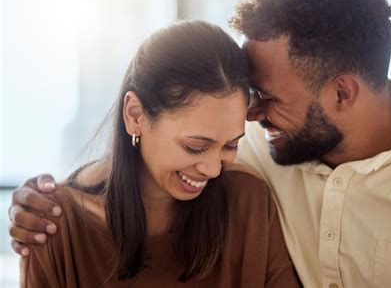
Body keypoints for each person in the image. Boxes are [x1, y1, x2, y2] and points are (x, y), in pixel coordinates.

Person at [9, 0, 391, 288]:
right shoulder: (253, 145)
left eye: (266, 99)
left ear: (342, 92)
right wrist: (41, 200)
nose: (250, 118)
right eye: (201, 145)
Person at [13, 20, 301, 287]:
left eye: (230, 145)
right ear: (135, 115)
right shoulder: (51, 222)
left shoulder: (248, 200)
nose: (213, 169)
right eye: (195, 147)